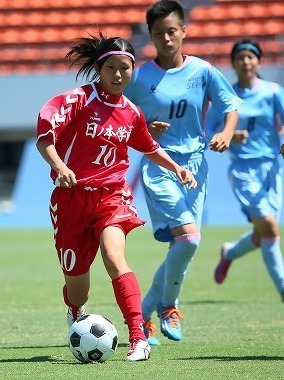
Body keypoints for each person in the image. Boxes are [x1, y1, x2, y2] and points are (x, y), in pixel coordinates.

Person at [36, 31, 197, 361]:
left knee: (114, 255)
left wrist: (176, 168)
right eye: (112, 67)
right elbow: (44, 135)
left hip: (111, 196)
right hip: (70, 199)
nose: (119, 74)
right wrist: (60, 166)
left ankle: (138, 336)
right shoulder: (78, 100)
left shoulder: (132, 112)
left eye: (126, 68)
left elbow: (149, 148)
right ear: (100, 68)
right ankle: (76, 306)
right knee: (77, 287)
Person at [123, 0, 243, 345]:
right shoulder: (139, 77)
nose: (166, 38)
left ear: (183, 31)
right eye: (158, 33)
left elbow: (230, 106)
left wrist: (223, 132)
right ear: (151, 36)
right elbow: (123, 120)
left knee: (183, 244)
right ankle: (169, 308)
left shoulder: (202, 71)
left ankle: (142, 316)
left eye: (172, 31)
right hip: (159, 166)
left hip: (196, 167)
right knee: (189, 239)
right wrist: (146, 129)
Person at [205, 39, 284, 302]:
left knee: (264, 233)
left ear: (259, 61)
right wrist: (227, 135)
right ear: (234, 63)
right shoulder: (227, 97)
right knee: (271, 227)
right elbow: (208, 131)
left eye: (251, 57)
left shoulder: (273, 91)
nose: (246, 62)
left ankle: (229, 252)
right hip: (243, 170)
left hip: (273, 169)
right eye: (240, 57)